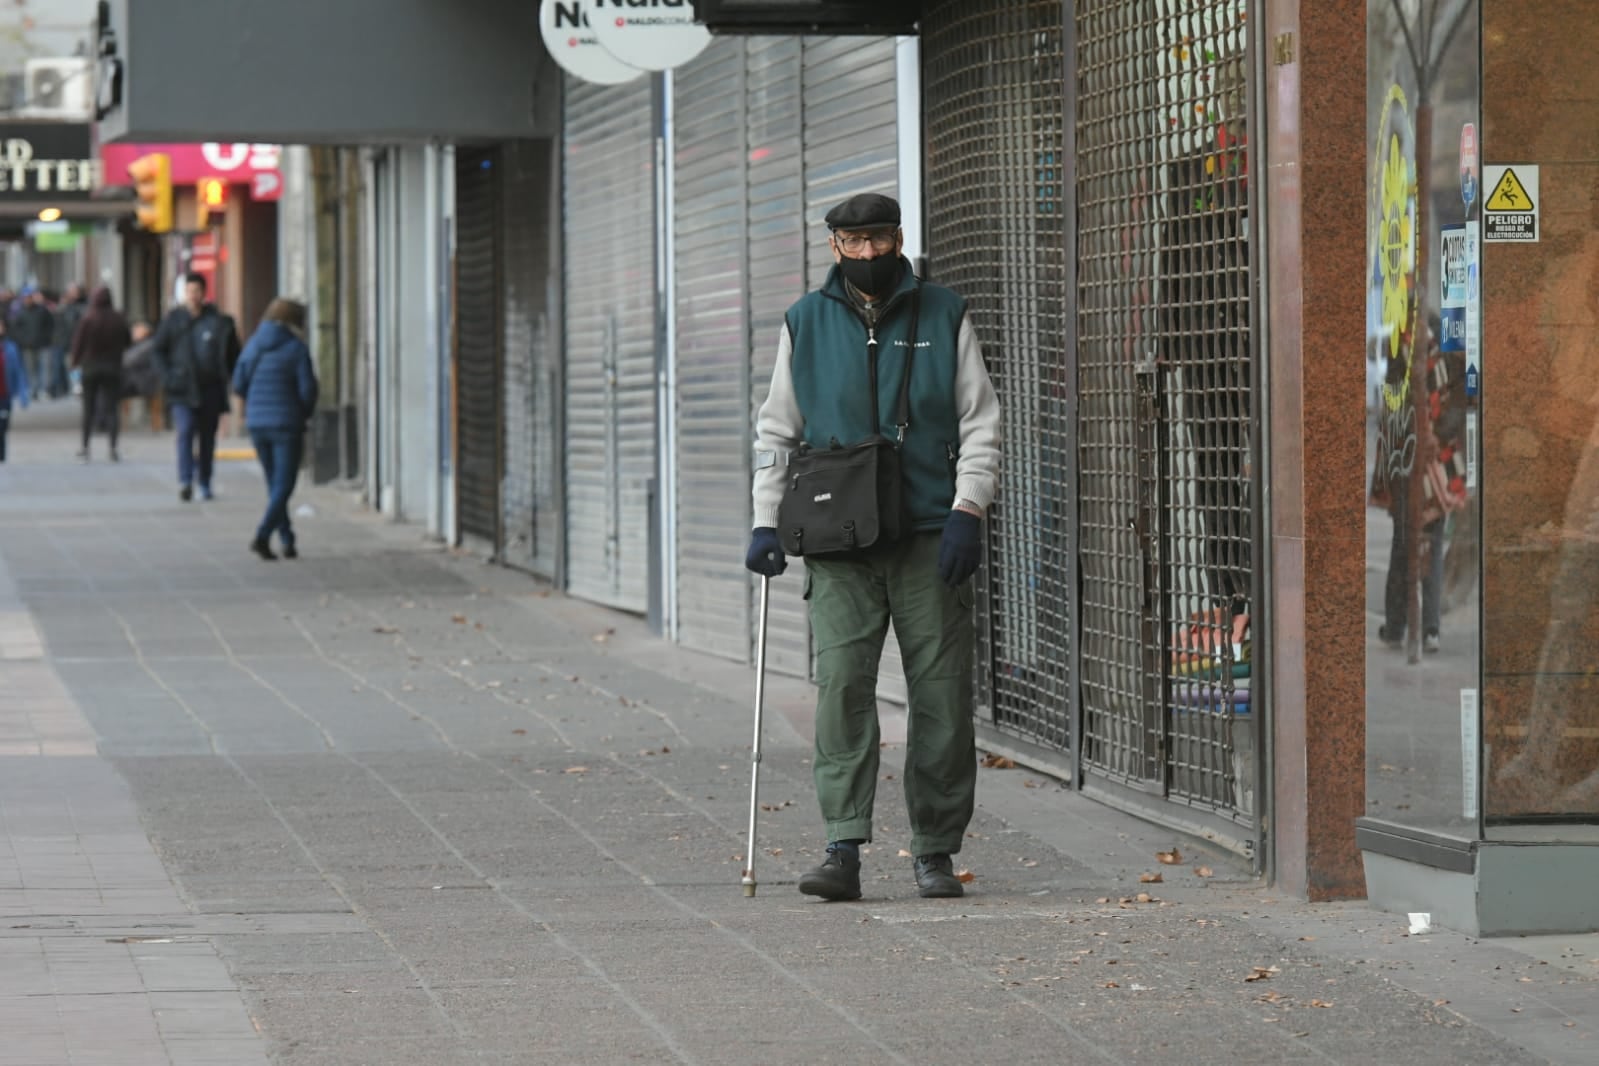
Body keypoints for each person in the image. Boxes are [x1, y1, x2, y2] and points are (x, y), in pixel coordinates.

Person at [746, 193, 1002, 901]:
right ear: (833, 247)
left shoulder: (944, 312)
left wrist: (967, 508)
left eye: (879, 240)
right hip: (838, 539)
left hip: (929, 535)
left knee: (942, 698)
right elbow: (776, 430)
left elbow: (980, 419)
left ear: (897, 239)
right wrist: (766, 520)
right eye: (854, 243)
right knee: (842, 692)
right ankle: (842, 845)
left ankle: (935, 850)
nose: (868, 255)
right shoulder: (805, 321)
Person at [1372, 314, 1467, 655]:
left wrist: (1424, 438)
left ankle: (1404, 625)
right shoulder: (1444, 351)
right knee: (1425, 542)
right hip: (1436, 463)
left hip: (1418, 460)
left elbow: (1394, 408)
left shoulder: (1409, 353)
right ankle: (1425, 629)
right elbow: (1459, 403)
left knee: (1408, 543)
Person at [232, 298, 318, 560]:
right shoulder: (296, 348)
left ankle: (287, 539)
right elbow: (307, 390)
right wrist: (302, 413)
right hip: (286, 424)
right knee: (285, 483)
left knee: (274, 483)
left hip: (257, 423)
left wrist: (255, 406)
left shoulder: (254, 345)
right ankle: (262, 534)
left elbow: (238, 383)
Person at [150, 273, 241, 501]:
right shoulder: (173, 321)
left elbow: (233, 355)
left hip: (210, 389)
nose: (193, 296)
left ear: (204, 292)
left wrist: (231, 379)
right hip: (182, 389)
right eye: (189, 291)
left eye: (197, 291)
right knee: (186, 430)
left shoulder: (219, 322)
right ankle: (185, 479)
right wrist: (168, 377)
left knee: (207, 438)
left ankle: (205, 480)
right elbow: (157, 350)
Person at [68, 287, 132, 462]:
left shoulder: (88, 319)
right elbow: (128, 341)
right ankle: (113, 448)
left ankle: (85, 447)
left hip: (90, 368)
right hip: (112, 368)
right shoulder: (119, 319)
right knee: (112, 409)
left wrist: (74, 363)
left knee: (88, 409)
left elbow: (78, 344)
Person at [10, 287, 54, 400]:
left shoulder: (42, 310)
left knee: (45, 368)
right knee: (31, 369)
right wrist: (23, 340)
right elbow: (16, 329)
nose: (28, 300)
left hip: (43, 344)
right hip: (28, 346)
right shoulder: (21, 312)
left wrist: (47, 338)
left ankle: (45, 389)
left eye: (29, 297)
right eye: (26, 298)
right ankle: (33, 389)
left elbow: (50, 325)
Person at [0, 317, 30, 462]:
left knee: (3, 427)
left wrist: (23, 394)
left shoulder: (10, 348)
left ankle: (2, 457)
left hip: (5, 395)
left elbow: (19, 371)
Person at [52, 283, 87, 400]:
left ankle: (79, 385)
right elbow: (59, 323)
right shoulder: (65, 307)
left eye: (74, 291)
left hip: (80, 340)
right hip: (67, 341)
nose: (72, 294)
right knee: (72, 364)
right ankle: (75, 385)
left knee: (79, 364)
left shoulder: (84, 305)